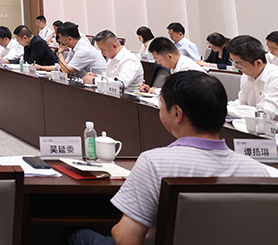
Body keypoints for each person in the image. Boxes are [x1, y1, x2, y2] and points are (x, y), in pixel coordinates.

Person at [66, 71, 276, 245]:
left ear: (177, 113)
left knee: (76, 235)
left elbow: (126, 239)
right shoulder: (257, 171)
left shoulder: (154, 163)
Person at [226, 35, 278, 119]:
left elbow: (265, 114)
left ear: (258, 63)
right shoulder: (246, 76)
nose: (236, 67)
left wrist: (228, 110)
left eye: (240, 64)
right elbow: (242, 103)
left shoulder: (275, 77)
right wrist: (226, 106)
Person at [138, 38, 206, 94]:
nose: (158, 63)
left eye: (158, 59)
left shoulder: (187, 69)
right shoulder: (175, 66)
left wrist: (156, 91)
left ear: (169, 56)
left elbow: (180, 94)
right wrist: (150, 90)